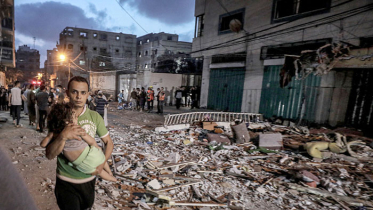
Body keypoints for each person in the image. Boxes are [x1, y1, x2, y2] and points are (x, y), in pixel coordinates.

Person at [46, 76, 115, 210]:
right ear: (67, 93)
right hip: (66, 182)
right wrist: (63, 136)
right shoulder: (59, 115)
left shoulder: (95, 117)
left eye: (83, 93)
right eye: (74, 92)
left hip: (89, 181)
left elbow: (108, 143)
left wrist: (101, 165)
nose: (79, 96)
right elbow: (49, 154)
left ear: (88, 95)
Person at [40, 103, 116, 182]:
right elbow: (89, 139)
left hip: (81, 164)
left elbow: (43, 144)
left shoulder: (56, 133)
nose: (77, 118)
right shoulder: (75, 128)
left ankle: (111, 177)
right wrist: (95, 146)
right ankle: (112, 176)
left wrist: (51, 137)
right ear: (67, 121)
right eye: (75, 117)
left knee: (99, 172)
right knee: (101, 162)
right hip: (91, 154)